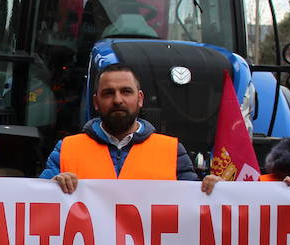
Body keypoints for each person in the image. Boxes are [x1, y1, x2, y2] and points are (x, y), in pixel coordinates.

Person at [41, 63, 200, 193]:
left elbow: (196, 207)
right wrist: (51, 188)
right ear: (96, 102)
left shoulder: (172, 151)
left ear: (140, 99)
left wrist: (215, 191)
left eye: (126, 91)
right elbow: (38, 204)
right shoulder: (66, 149)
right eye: (108, 93)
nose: (117, 100)